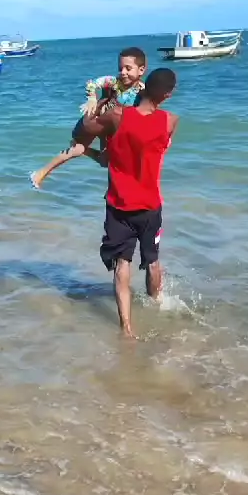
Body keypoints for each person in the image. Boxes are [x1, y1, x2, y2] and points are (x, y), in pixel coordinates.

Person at [71, 67, 179, 339]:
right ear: (168, 95)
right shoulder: (170, 121)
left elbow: (80, 132)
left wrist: (98, 104)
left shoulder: (117, 116)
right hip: (151, 205)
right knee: (152, 261)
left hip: (119, 205)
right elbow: (157, 147)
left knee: (122, 264)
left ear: (144, 84)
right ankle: (158, 308)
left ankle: (126, 329)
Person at [29, 47, 147, 189]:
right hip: (97, 120)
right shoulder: (114, 82)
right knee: (79, 150)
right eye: (120, 68)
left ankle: (82, 153)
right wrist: (92, 98)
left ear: (141, 70)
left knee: (104, 161)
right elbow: (92, 83)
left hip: (113, 129)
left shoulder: (143, 91)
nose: (123, 72)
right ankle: (40, 173)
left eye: (128, 68)